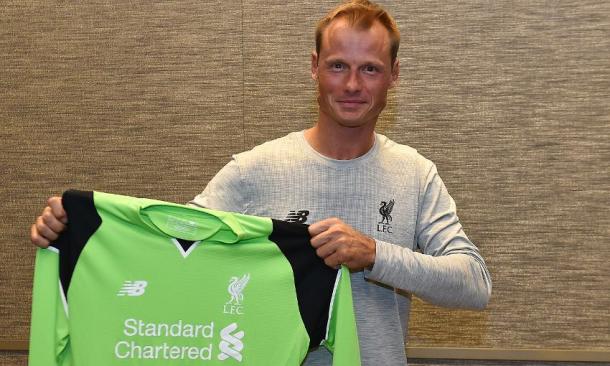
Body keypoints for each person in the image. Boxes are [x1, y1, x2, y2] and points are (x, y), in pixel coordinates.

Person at [31, 1, 492, 365]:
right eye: (337, 66)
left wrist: (374, 254)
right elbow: (173, 255)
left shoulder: (414, 174)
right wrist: (74, 230)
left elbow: (473, 284)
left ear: (394, 76)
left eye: (370, 68)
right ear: (314, 67)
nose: (352, 84)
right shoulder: (254, 171)